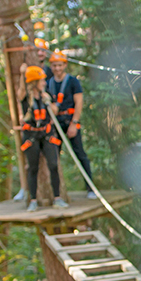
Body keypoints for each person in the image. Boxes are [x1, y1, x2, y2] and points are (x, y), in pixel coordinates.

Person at [16, 66, 68, 211]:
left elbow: (55, 111)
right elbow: (20, 91)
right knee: (32, 168)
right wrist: (22, 74)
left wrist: (49, 102)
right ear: (34, 82)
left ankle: (57, 198)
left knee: (53, 164)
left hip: (47, 135)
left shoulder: (46, 95)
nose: (44, 83)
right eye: (42, 80)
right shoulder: (25, 96)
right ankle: (33, 200)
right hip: (31, 137)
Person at [46, 49, 96, 199]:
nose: (57, 68)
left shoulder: (73, 81)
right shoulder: (49, 83)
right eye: (54, 65)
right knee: (54, 157)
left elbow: (79, 101)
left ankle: (90, 188)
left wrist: (75, 122)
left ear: (65, 65)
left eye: (60, 65)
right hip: (56, 123)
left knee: (80, 154)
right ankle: (56, 192)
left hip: (71, 121)